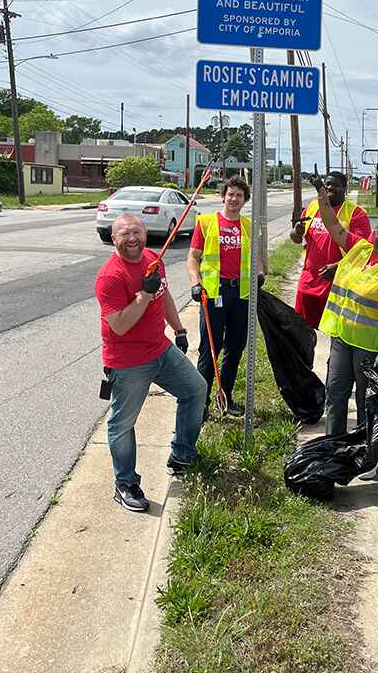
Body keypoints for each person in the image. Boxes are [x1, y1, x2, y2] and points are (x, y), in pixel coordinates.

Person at [95, 213, 207, 512]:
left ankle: (182, 454)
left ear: (145, 233)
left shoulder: (151, 258)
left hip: (160, 349)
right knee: (122, 423)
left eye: (137, 232)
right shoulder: (110, 276)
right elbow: (119, 324)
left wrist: (179, 328)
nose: (132, 238)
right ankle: (125, 483)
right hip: (128, 360)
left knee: (196, 389)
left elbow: (164, 293)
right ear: (113, 238)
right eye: (124, 234)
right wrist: (143, 294)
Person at [314, 178, 378, 480]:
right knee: (335, 392)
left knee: (365, 399)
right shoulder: (358, 249)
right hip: (342, 337)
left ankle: (366, 456)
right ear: (374, 232)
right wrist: (322, 198)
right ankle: (334, 448)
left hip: (370, 346)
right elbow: (333, 226)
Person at [187, 176, 264, 419]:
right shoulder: (207, 222)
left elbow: (257, 257)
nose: (233, 199)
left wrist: (260, 274)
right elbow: (193, 257)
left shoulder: (250, 226)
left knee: (236, 347)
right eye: (230, 194)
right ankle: (202, 402)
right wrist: (195, 284)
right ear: (223, 196)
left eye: (238, 196)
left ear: (244, 201)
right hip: (213, 293)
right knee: (210, 348)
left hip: (240, 295)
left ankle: (226, 397)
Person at [291, 170, 371, 328]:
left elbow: (364, 252)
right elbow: (296, 238)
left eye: (336, 185)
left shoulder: (356, 214)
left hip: (338, 283)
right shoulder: (313, 207)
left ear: (345, 189)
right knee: (302, 330)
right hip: (309, 281)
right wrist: (296, 231)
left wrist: (338, 267)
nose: (330, 187)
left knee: (335, 333)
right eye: (327, 184)